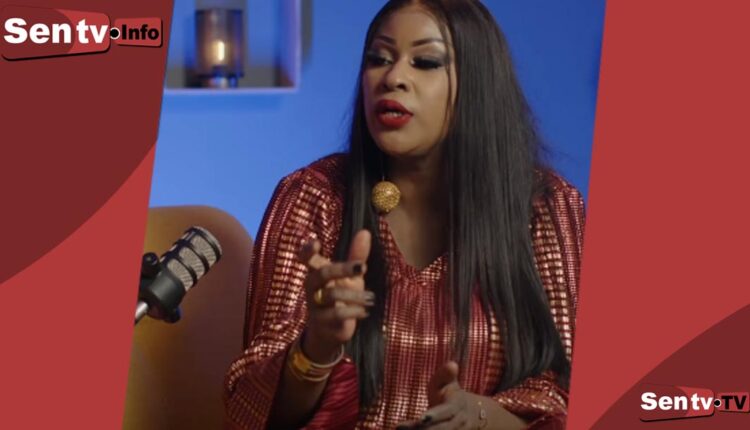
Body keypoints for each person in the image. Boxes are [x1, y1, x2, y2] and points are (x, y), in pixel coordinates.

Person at [224, 0, 585, 428]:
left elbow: (569, 391)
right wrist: (316, 346)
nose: (393, 78)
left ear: (478, 83)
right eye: (378, 59)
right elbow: (248, 411)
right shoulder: (313, 195)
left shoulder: (544, 204)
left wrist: (481, 416)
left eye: (425, 62)